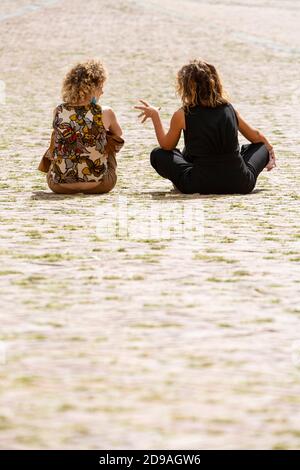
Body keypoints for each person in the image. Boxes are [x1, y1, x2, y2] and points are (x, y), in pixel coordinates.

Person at [135, 59, 276, 194]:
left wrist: (155, 116)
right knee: (262, 146)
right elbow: (256, 137)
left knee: (158, 154)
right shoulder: (229, 109)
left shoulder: (183, 114)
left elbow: (166, 146)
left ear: (187, 88)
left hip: (198, 183)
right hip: (240, 183)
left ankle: (182, 177)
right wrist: (270, 152)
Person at [43, 59, 123, 194]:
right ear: (92, 88)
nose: (102, 92)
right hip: (100, 185)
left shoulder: (58, 111)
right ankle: (96, 173)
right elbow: (118, 135)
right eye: (101, 87)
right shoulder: (105, 112)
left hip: (59, 186)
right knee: (110, 140)